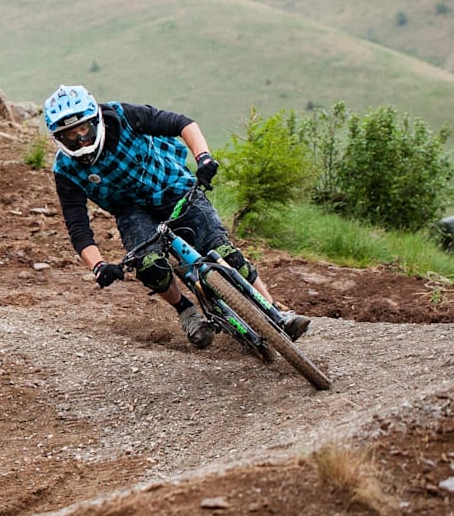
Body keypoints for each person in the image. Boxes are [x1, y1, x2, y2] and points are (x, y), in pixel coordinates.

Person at [42, 84, 310, 349]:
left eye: (84, 129)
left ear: (96, 120)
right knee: (149, 265)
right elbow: (78, 227)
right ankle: (186, 311)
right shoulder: (65, 170)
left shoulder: (124, 116)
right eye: (70, 136)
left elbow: (182, 124)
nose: (82, 140)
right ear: (58, 138)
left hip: (175, 188)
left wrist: (204, 158)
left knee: (224, 253)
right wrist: (98, 265)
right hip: (132, 211)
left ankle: (275, 311)